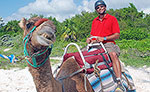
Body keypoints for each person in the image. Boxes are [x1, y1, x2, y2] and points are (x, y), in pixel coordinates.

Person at [86, 0, 124, 90]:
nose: (100, 8)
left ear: (105, 7)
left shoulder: (112, 19)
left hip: (108, 43)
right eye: (98, 8)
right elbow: (92, 35)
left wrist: (104, 38)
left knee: (113, 55)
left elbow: (117, 35)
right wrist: (89, 39)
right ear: (96, 10)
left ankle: (119, 80)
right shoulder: (94, 21)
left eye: (102, 6)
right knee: (82, 54)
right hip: (95, 43)